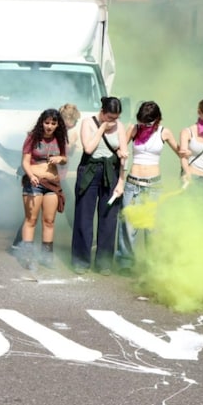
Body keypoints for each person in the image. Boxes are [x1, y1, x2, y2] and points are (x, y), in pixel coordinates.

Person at [115, 101, 180, 273]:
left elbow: (180, 151)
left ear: (157, 119)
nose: (145, 125)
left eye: (148, 122)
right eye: (142, 121)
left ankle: (154, 263)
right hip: (133, 183)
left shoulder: (163, 132)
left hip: (154, 185)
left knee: (152, 226)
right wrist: (120, 152)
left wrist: (188, 150)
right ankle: (125, 262)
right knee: (128, 225)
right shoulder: (134, 129)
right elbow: (119, 148)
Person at [71, 96, 127, 275]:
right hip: (90, 171)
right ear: (102, 112)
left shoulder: (121, 127)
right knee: (84, 216)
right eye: (110, 117)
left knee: (109, 217)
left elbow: (124, 155)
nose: (113, 121)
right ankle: (81, 260)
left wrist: (121, 181)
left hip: (111, 172)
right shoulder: (88, 122)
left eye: (116, 117)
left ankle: (104, 262)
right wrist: (102, 127)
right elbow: (88, 148)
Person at [17, 108, 68, 270]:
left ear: (58, 124)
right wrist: (31, 175)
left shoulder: (60, 138)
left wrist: (60, 159)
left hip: (52, 184)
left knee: (49, 221)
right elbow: (25, 161)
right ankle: (27, 256)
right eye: (47, 123)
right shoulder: (33, 137)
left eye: (53, 123)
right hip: (35, 183)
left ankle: (46, 257)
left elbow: (65, 159)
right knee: (31, 220)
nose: (50, 126)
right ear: (42, 123)